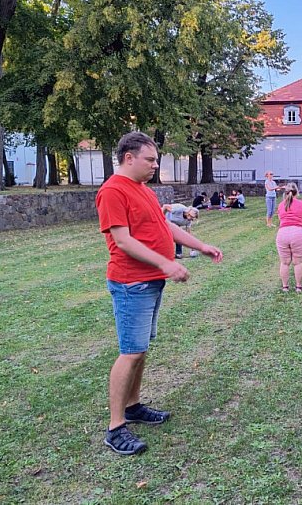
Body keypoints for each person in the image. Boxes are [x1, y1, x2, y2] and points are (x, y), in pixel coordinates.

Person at [95, 131, 222, 455]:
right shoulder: (112, 191)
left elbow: (165, 227)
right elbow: (123, 241)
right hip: (131, 283)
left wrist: (200, 245)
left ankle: (134, 406)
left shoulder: (144, 191)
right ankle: (115, 427)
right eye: (150, 159)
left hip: (150, 281)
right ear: (129, 158)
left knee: (140, 349)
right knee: (131, 351)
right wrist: (167, 264)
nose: (155, 165)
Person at [275, 183, 302, 293]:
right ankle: (298, 287)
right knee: (298, 262)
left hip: (283, 233)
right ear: (297, 192)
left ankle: (285, 287)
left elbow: (280, 219)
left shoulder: (281, 205)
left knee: (284, 262)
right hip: (298, 233)